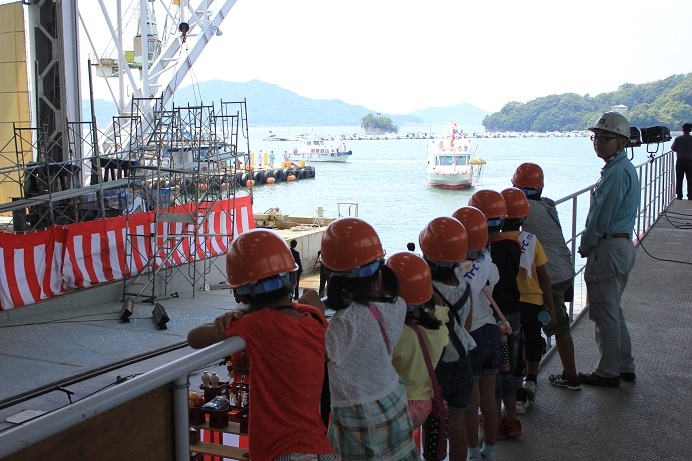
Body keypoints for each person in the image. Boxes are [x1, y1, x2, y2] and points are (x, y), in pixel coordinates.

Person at [186, 229, 334, 461]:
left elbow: (194, 338)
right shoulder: (313, 318)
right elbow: (309, 308)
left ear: (240, 293)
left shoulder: (257, 324)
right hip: (319, 447)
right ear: (292, 279)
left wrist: (237, 312)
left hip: (280, 452)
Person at [319, 217, 419, 460]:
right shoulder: (398, 306)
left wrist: (314, 313)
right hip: (393, 399)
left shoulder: (343, 323)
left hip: (358, 415)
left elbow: (320, 352)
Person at [578, 111, 639, 388]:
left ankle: (608, 372)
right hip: (619, 245)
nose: (598, 142)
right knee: (613, 309)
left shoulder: (616, 173)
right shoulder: (619, 169)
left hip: (609, 246)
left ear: (622, 141)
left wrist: (586, 243)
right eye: (596, 137)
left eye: (605, 137)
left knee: (605, 312)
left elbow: (602, 216)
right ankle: (624, 366)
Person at [511, 162, 580, 391]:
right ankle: (532, 375)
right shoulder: (547, 205)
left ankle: (570, 377)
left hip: (551, 277)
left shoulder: (525, 208)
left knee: (557, 328)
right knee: (540, 325)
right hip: (563, 269)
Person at [419, 217, 474, 461]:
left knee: (432, 423)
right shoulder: (464, 285)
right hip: (463, 360)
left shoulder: (427, 290)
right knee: (456, 423)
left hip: (436, 366)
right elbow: (466, 326)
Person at [468, 189, 522, 439]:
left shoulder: (481, 259)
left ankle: (495, 423)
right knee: (508, 370)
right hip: (511, 316)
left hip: (491, 322)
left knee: (491, 382)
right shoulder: (513, 246)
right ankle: (511, 420)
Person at [497, 187, 556, 414]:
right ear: (524, 216)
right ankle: (532, 379)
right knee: (532, 339)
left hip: (508, 304)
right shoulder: (532, 240)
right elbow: (543, 276)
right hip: (533, 301)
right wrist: (551, 305)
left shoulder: (495, 244)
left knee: (514, 347)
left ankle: (518, 393)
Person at [452, 206, 500, 461]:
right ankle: (490, 451)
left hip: (469, 337)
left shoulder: (454, 272)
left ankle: (472, 452)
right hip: (491, 331)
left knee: (471, 400)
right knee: (490, 397)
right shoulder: (489, 266)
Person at [388, 252, 448, 453]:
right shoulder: (439, 325)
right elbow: (438, 307)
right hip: (425, 403)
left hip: (398, 405)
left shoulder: (396, 334)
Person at [671, 123, 692, 200]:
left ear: (683, 129)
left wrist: (679, 151)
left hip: (680, 160)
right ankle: (690, 195)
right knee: (690, 179)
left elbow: (673, 148)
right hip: (690, 161)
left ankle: (679, 195)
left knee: (679, 179)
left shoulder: (678, 138)